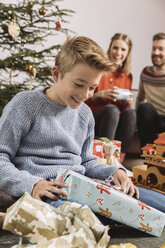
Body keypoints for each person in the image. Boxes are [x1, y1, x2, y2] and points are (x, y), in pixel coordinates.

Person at [0, 36, 164, 214]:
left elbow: (87, 161)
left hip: (83, 186)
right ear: (57, 74)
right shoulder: (25, 104)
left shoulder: (85, 114)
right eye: (79, 84)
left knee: (157, 201)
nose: (85, 94)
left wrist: (115, 171)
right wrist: (32, 184)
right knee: (86, 218)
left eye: (93, 88)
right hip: (47, 191)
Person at [86, 33, 136, 164]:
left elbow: (125, 110)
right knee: (112, 110)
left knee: (131, 113)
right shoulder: (98, 70)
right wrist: (100, 94)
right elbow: (83, 101)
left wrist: (127, 103)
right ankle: (105, 157)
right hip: (96, 116)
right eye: (115, 48)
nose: (118, 53)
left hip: (116, 119)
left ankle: (119, 157)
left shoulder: (128, 76)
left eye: (123, 49)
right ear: (110, 49)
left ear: (127, 53)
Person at [136, 33, 165, 147]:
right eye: (154, 48)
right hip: (153, 120)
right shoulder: (146, 73)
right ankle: (147, 154)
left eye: (161, 49)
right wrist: (136, 120)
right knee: (144, 107)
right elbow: (140, 98)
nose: (156, 52)